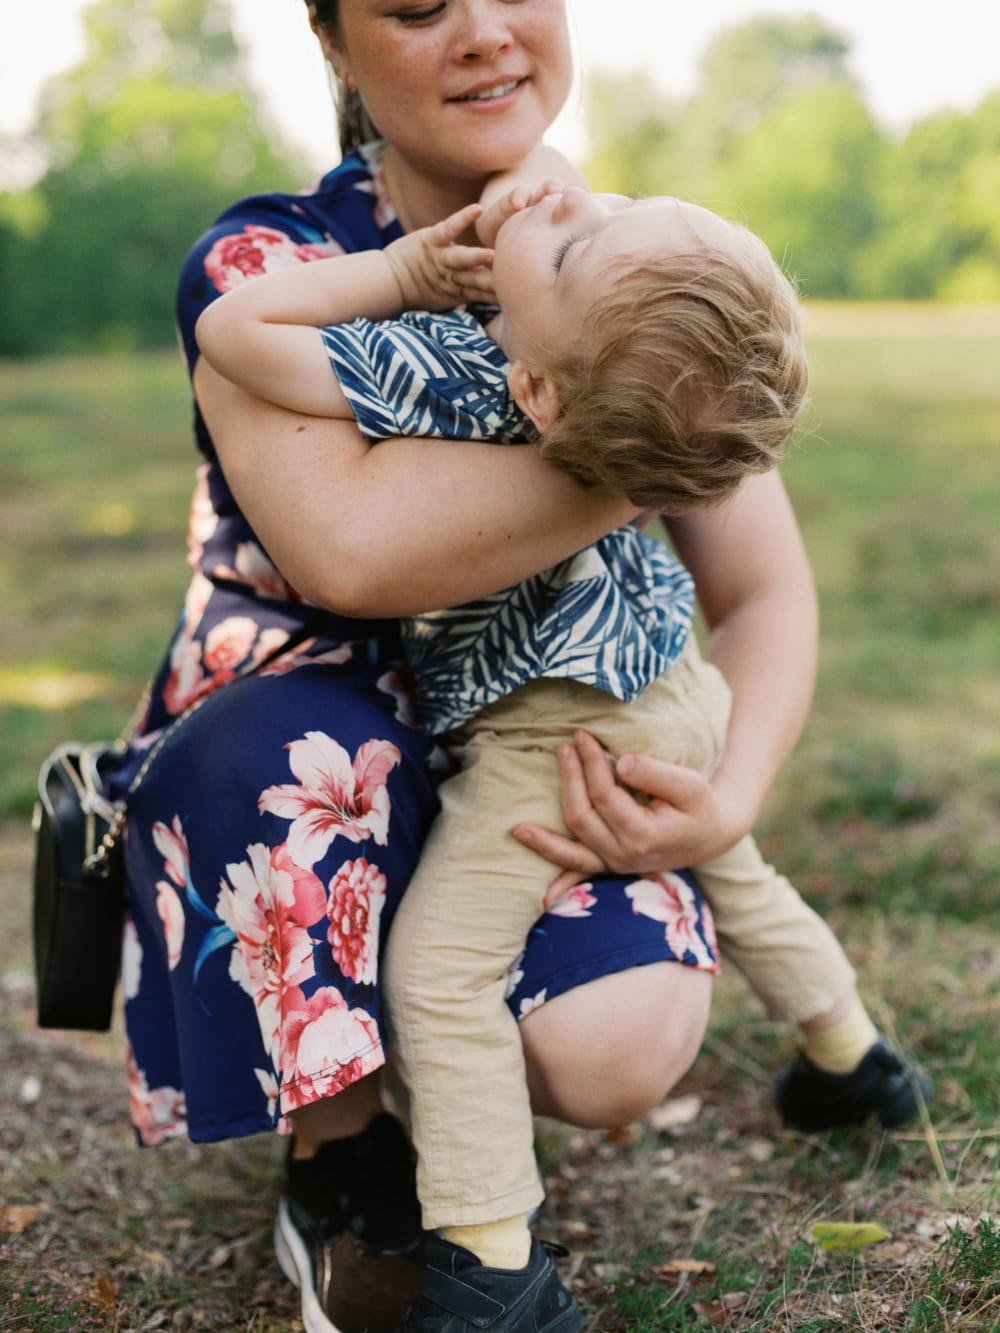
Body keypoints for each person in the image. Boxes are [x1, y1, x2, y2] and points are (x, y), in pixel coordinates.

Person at [106, 3, 926, 1331]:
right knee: (307, 768)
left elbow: (764, 587)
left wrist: (729, 792)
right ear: (332, 38)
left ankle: (496, 1246)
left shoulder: (618, 275)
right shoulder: (297, 257)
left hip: (545, 730)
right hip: (340, 725)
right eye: (421, 5)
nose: (485, 32)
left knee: (544, 1011)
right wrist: (643, 440)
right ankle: (352, 1150)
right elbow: (355, 555)